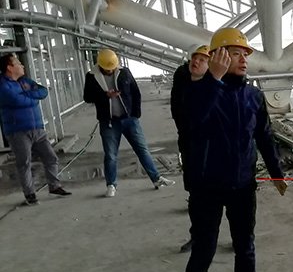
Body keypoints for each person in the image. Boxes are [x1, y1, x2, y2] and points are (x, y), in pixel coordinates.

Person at [175, 28, 288, 272]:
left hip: (242, 185)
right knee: (204, 249)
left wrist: (276, 171)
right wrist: (213, 79)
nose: (243, 59)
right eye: (236, 53)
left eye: (245, 54)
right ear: (218, 57)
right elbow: (192, 122)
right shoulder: (197, 90)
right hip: (207, 187)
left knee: (245, 245)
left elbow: (264, 136)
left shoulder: (253, 96)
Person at [83, 48, 175, 197]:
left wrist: (136, 114)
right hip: (109, 122)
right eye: (106, 69)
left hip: (129, 119)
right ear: (99, 65)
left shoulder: (124, 72)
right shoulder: (92, 76)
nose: (110, 71)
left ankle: (157, 179)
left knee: (142, 150)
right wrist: (105, 95)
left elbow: (135, 92)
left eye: (112, 68)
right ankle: (111, 185)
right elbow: (87, 97)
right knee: (111, 154)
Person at [0, 53, 71, 205]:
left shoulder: (24, 81)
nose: (22, 65)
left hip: (37, 127)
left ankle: (54, 186)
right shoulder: (3, 86)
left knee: (51, 157)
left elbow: (43, 91)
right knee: (24, 162)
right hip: (18, 130)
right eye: (18, 63)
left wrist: (28, 95)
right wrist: (32, 97)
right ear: (9, 67)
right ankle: (30, 194)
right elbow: (18, 101)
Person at [170, 45, 210, 252]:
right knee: (196, 193)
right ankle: (198, 237)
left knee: (228, 194)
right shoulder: (182, 76)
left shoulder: (217, 81)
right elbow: (176, 106)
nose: (196, 61)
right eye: (195, 57)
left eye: (203, 59)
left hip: (214, 145)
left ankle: (240, 239)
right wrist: (186, 131)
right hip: (190, 143)